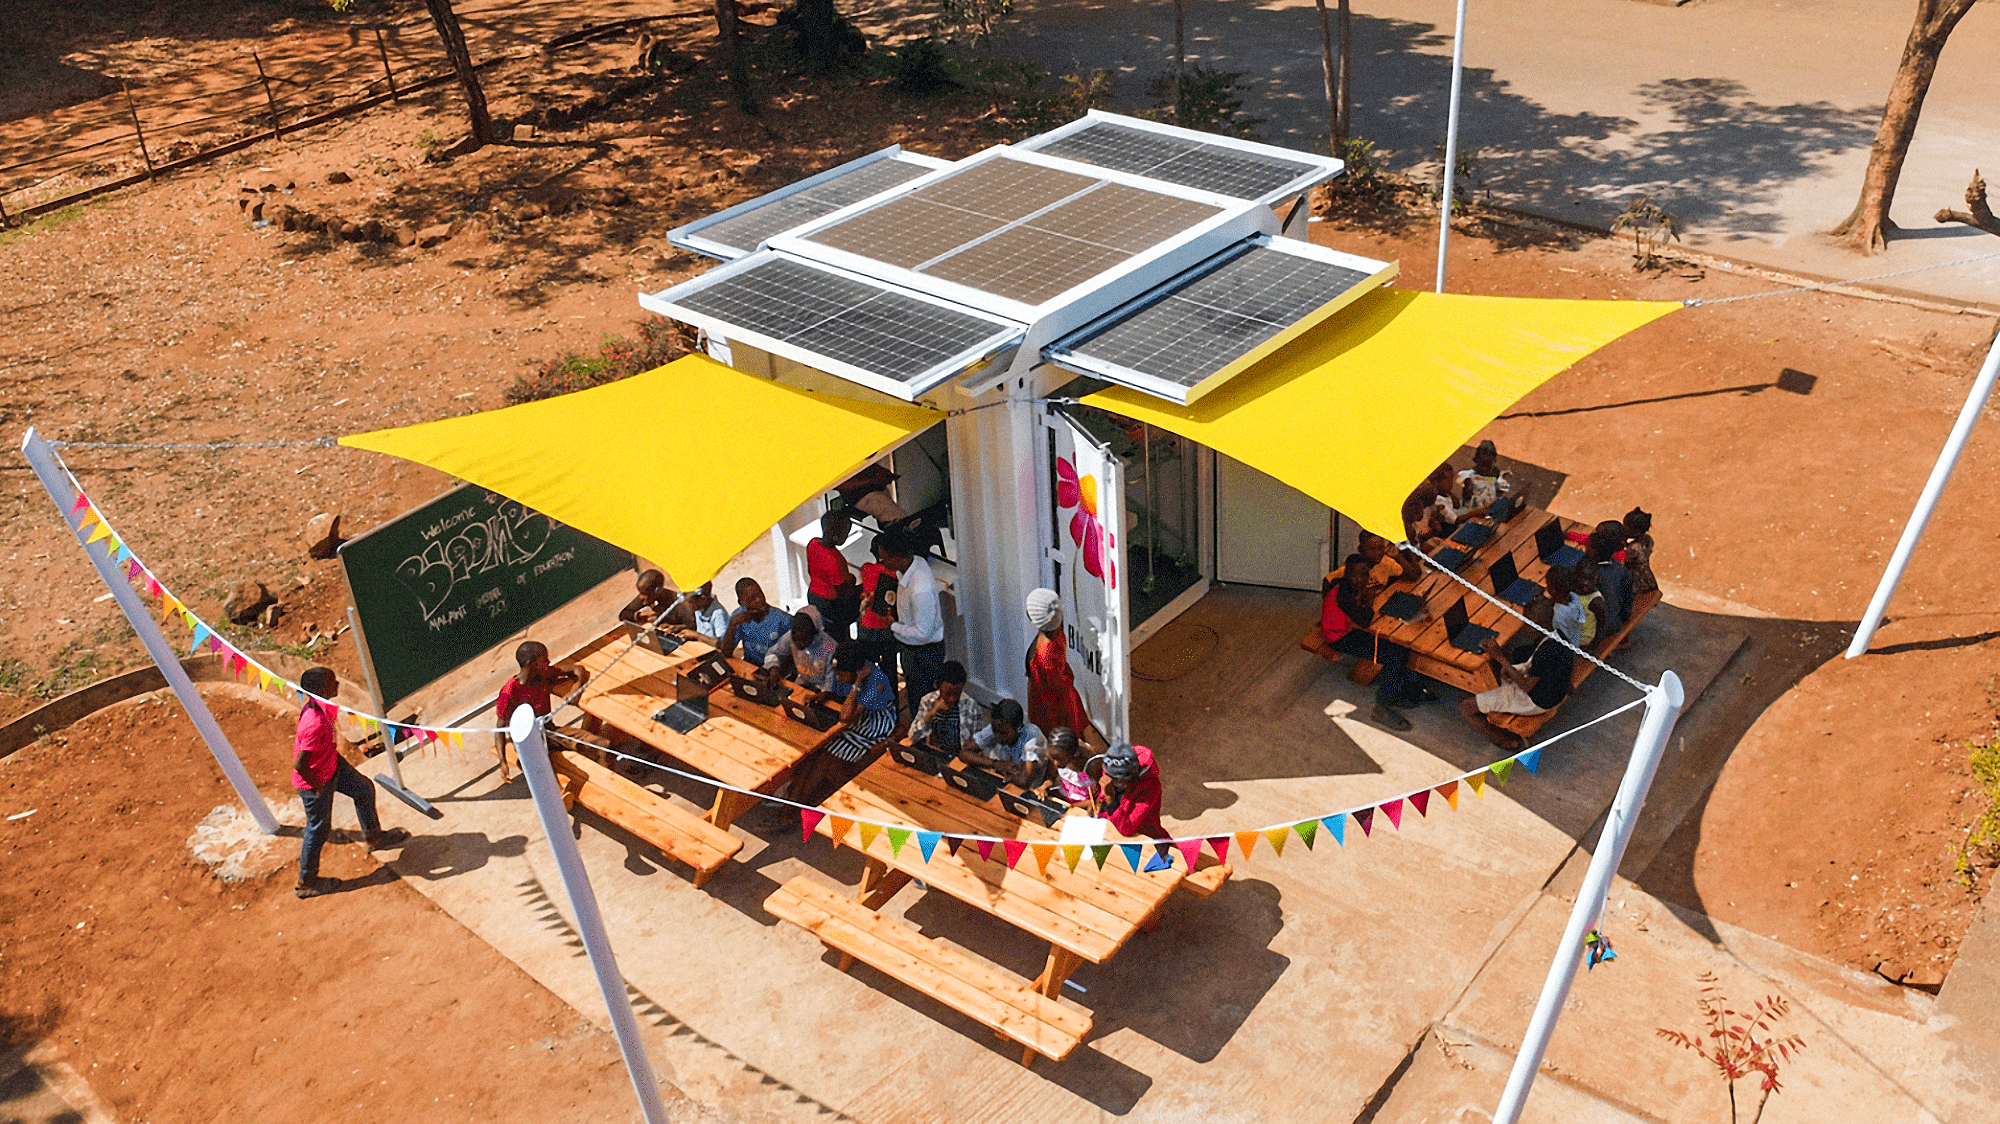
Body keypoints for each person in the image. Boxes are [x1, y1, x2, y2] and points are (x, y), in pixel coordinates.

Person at [294, 666, 407, 899]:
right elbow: (300, 765)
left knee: (364, 789)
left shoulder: (321, 708)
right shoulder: (313, 722)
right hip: (315, 779)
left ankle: (374, 836)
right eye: (332, 682)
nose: (337, 684)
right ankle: (306, 882)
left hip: (332, 764)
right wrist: (318, 787)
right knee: (318, 830)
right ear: (319, 689)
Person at [1320, 545, 1429, 731]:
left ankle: (1409, 688)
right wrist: (1369, 601)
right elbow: (1364, 620)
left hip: (1350, 629)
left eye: (1365, 574)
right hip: (1340, 637)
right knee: (1394, 654)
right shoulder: (1344, 595)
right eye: (1357, 575)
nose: (1362, 579)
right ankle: (1382, 707)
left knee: (1399, 647)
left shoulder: (1349, 586)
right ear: (1348, 574)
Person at [1458, 596, 1576, 751]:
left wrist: (1498, 656)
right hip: (1556, 689)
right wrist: (1510, 668)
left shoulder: (1546, 651)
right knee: (1510, 664)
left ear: (1534, 625)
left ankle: (1505, 741)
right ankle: (1500, 691)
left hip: (1538, 701)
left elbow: (1527, 686)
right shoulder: (1560, 634)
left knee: (1466, 708)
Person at [792, 643, 903, 805]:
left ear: (857, 672)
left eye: (842, 674)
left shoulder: (876, 682)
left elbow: (846, 717)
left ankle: (793, 809)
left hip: (872, 728)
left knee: (825, 761)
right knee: (812, 759)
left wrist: (857, 684)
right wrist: (827, 692)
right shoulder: (847, 668)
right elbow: (840, 691)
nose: (838, 676)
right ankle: (792, 801)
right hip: (853, 723)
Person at [492, 640, 591, 782]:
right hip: (529, 743)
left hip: (550, 732)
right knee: (547, 775)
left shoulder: (543, 674)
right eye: (544, 659)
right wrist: (503, 761)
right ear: (531, 663)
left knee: (600, 744)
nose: (549, 662)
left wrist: (575, 689)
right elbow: (500, 728)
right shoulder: (509, 693)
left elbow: (577, 669)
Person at [880, 529, 945, 712]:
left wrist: (893, 625)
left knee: (922, 701)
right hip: (913, 648)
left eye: (884, 559)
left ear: (898, 556)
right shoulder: (916, 563)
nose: (882, 563)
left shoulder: (920, 588)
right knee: (916, 696)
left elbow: (923, 633)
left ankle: (923, 737)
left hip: (923, 653)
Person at [1023, 587, 1092, 741]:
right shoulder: (1057, 632)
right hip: (1060, 694)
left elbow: (1056, 689)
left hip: (1052, 706)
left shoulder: (1045, 656)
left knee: (1065, 739)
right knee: (1081, 723)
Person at [1098, 743, 1172, 872]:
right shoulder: (1111, 770)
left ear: (1132, 776)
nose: (1109, 782)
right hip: (1112, 833)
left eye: (1117, 781)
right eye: (1108, 776)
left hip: (1145, 839)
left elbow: (1126, 829)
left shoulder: (1150, 787)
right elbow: (1100, 803)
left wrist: (1110, 798)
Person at [963, 699, 1045, 788]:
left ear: (1018, 728)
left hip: (1027, 790)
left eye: (1004, 733)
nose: (997, 736)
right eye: (995, 731)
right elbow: (963, 753)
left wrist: (1003, 770)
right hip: (999, 778)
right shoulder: (997, 727)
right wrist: (995, 764)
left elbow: (1023, 781)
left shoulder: (1032, 738)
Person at [909, 659, 982, 757]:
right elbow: (913, 736)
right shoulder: (927, 701)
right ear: (938, 686)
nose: (952, 699)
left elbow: (978, 745)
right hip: (932, 753)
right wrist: (931, 713)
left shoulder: (972, 707)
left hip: (959, 758)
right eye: (947, 694)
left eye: (957, 694)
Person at [806, 510, 859, 643]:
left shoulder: (813, 543)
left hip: (813, 595)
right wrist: (852, 580)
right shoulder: (834, 560)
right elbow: (842, 592)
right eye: (845, 533)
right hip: (832, 605)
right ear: (837, 536)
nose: (846, 536)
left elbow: (810, 570)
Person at [717, 578, 793, 666]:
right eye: (751, 599)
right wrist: (732, 626)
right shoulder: (739, 618)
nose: (758, 600)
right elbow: (726, 652)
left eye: (760, 594)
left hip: (776, 667)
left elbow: (793, 654)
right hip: (751, 665)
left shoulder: (782, 619)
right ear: (741, 602)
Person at [762, 607, 837, 691]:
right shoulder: (790, 635)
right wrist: (774, 668)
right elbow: (772, 653)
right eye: (795, 639)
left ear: (815, 634)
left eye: (803, 640)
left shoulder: (830, 649)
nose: (797, 644)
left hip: (821, 690)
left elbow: (830, 684)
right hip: (800, 682)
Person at [855, 536, 898, 668]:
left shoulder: (866, 569)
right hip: (886, 626)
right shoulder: (895, 574)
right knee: (889, 664)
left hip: (866, 625)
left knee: (867, 666)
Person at [1585, 521, 1635, 631]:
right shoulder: (1620, 568)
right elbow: (1627, 598)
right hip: (1617, 620)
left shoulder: (1590, 575)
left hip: (1602, 629)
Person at [1042, 727, 1096, 808]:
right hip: (1064, 800)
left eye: (1060, 759)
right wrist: (1044, 786)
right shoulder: (1057, 755)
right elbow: (1052, 778)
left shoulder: (1092, 765)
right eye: (1053, 758)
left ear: (1073, 754)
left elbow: (1097, 801)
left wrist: (1072, 807)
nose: (1055, 763)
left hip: (1082, 807)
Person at [1457, 439, 1513, 515]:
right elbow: (1466, 497)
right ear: (1476, 460)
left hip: (1489, 510)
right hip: (1472, 512)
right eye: (1482, 465)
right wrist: (1467, 487)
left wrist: (1499, 487)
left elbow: (1499, 491)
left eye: (1488, 466)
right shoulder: (1470, 476)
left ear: (1494, 462)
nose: (1485, 469)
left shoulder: (1494, 475)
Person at [665, 581, 729, 644]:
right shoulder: (700, 608)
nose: (688, 605)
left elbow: (723, 643)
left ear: (702, 598)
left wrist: (696, 635)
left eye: (690, 602)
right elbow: (699, 628)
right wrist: (679, 628)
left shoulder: (719, 614)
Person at [1571, 561, 1611, 651]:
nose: (1585, 582)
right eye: (1582, 578)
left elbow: (1603, 624)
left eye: (1590, 579)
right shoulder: (1575, 590)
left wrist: (1594, 646)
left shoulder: (1595, 601)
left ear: (1596, 580)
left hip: (1585, 640)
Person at [1545, 565, 1586, 647]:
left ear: (1552, 589)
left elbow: (1563, 640)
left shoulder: (1558, 616)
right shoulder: (1574, 596)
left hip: (1572, 646)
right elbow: (1582, 619)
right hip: (1578, 635)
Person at [1622, 507, 1658, 596]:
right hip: (1648, 581)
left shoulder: (1634, 548)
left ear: (1636, 533)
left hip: (1638, 585)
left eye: (1626, 527)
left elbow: (1621, 560)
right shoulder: (1648, 539)